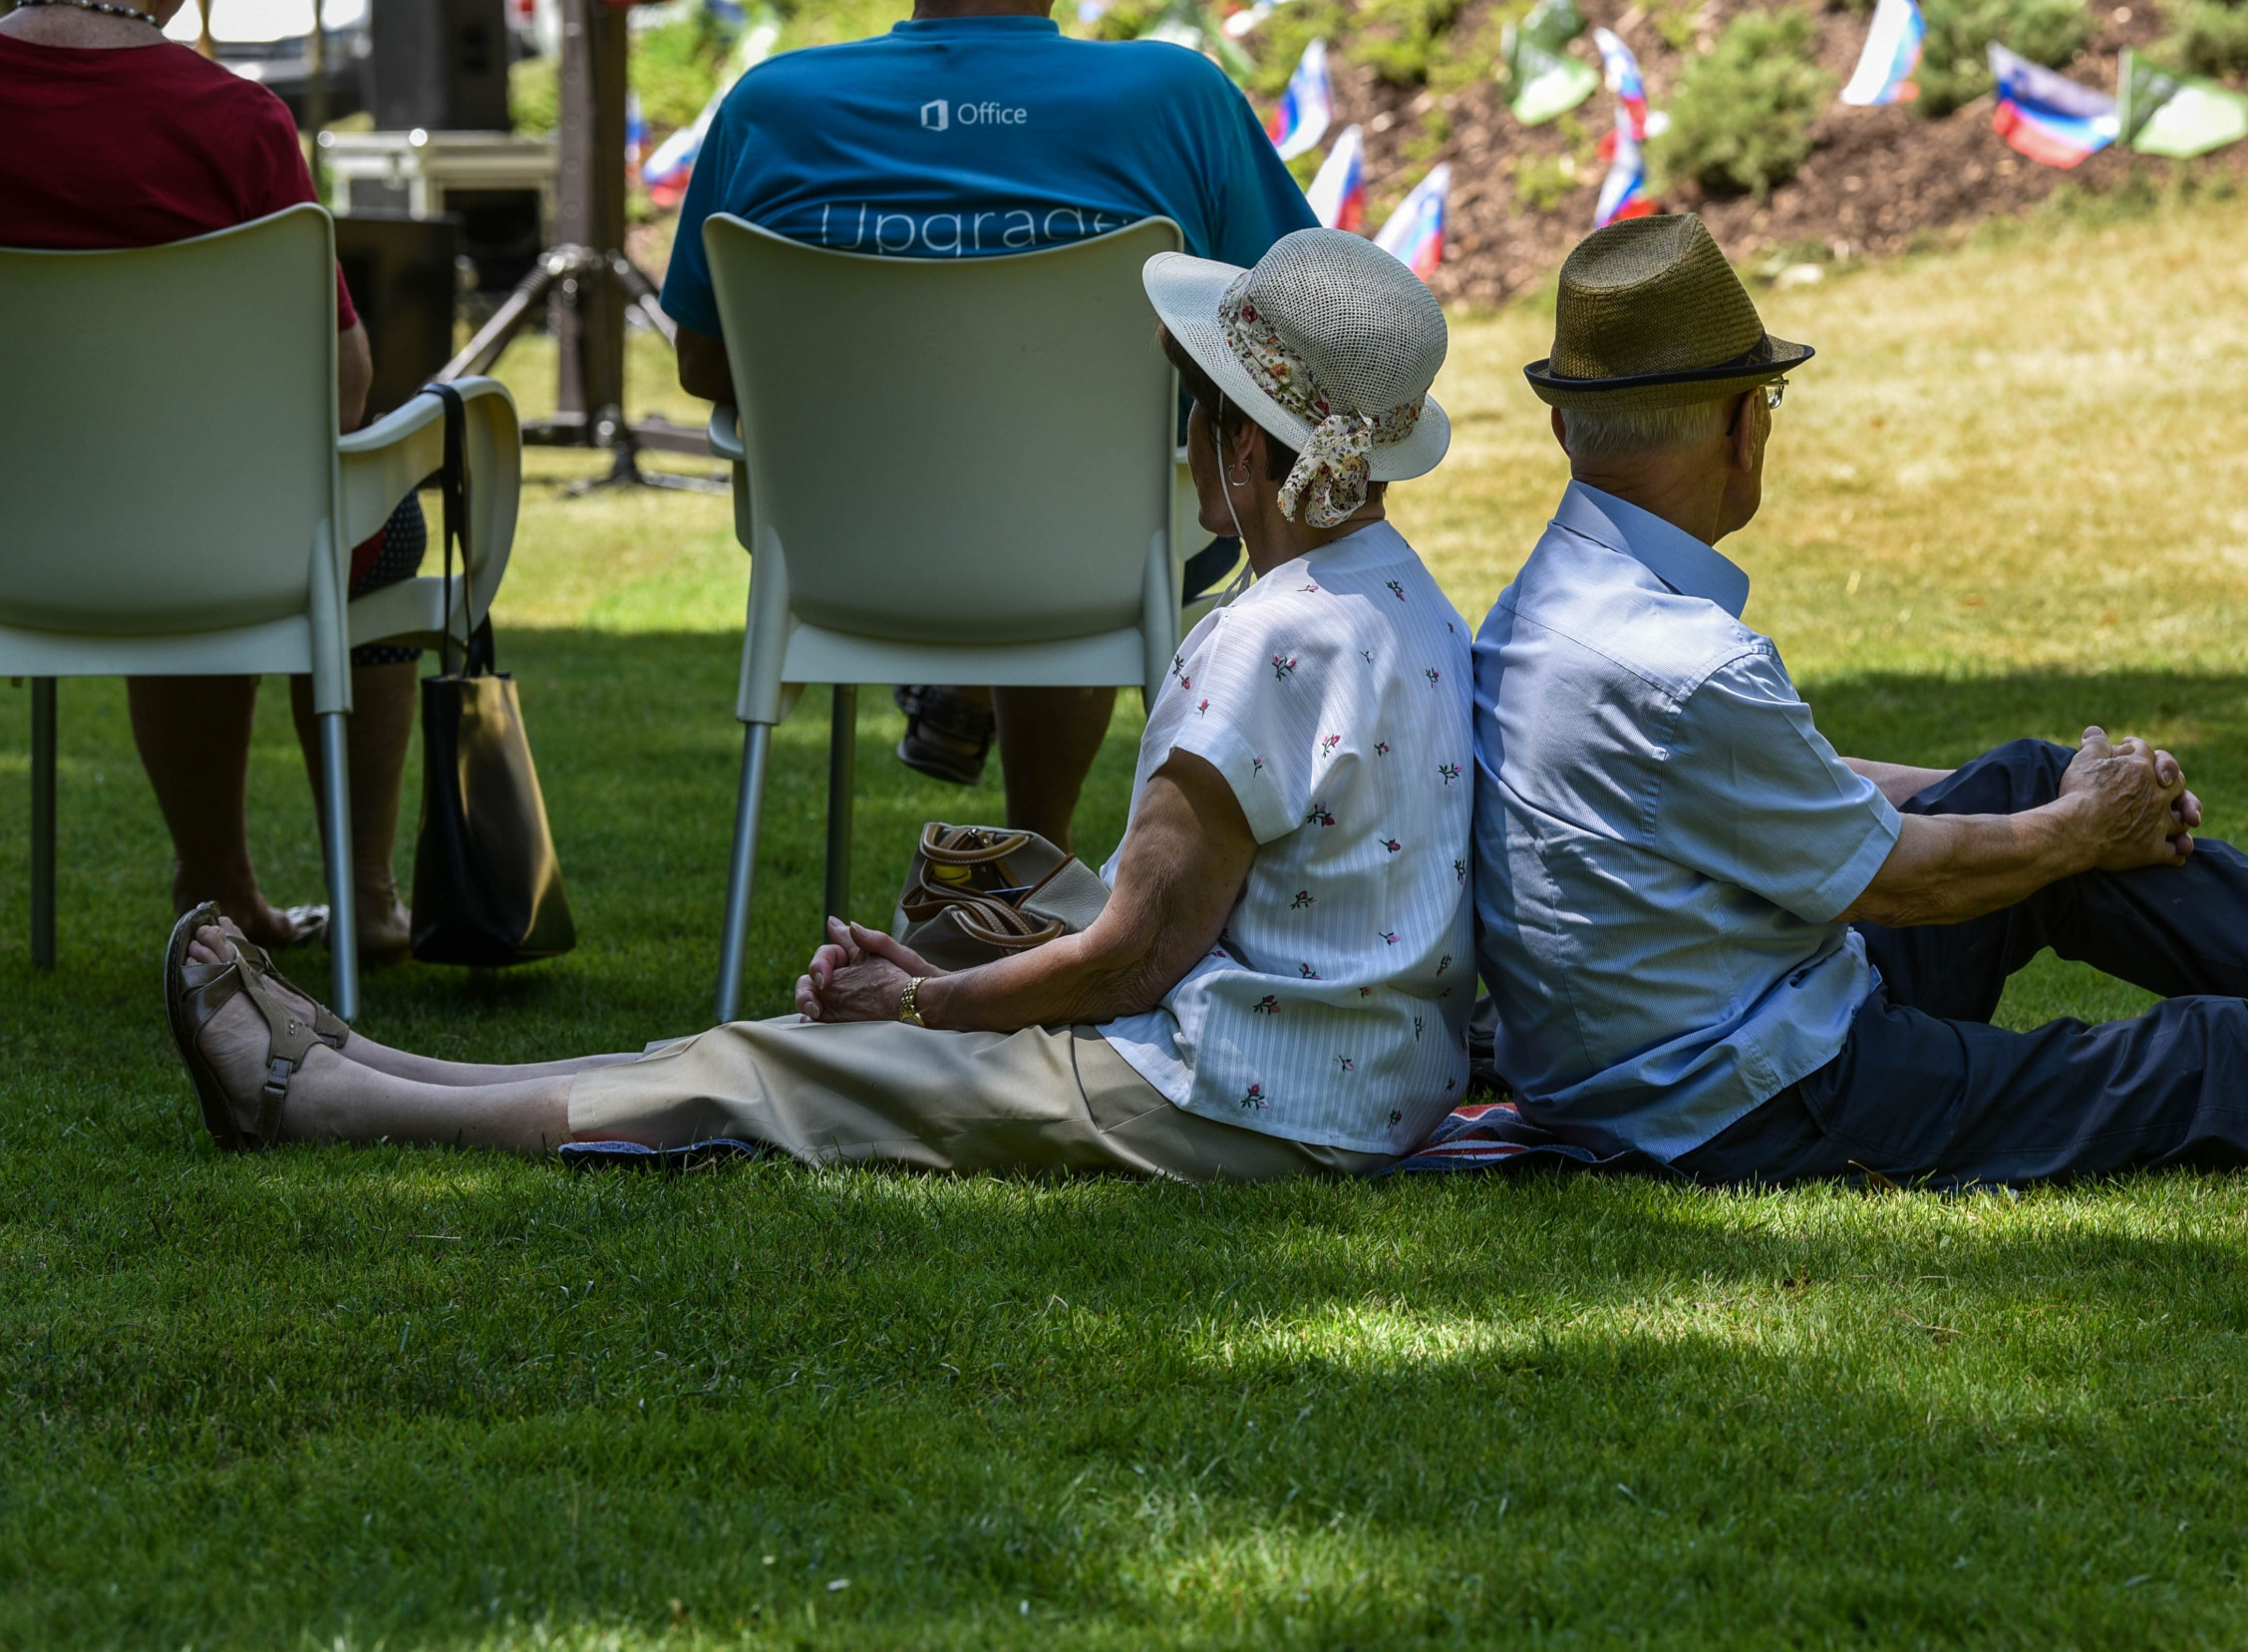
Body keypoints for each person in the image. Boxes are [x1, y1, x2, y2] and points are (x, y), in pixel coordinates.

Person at [165, 229, 1484, 1179]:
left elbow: (1135, 960)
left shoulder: (1263, 641)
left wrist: (918, 1007)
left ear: (1245, 447)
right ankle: (372, 1066)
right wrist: (956, 958)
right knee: (773, 1043)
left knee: (774, 1067)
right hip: (1362, 1076)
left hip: (1248, 1098)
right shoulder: (1410, 600)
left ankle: (324, 1098)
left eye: (1192, 405)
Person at [1469, 214, 2248, 1187]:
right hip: (1754, 1094)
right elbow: (1903, 882)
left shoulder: (1548, 608)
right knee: (2191, 1065)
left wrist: (2071, 804)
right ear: (1748, 423)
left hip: (1683, 1037)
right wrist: (2088, 827)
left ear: (1569, 429)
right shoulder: (1682, 662)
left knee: (2029, 776)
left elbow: (1763, 791)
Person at [657, 0, 1319, 848]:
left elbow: (703, 365)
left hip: (844, 544)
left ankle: (966, 697)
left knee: (1037, 482)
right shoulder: (1175, 100)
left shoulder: (769, 109)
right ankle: (1039, 852)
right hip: (1105, 540)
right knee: (1097, 484)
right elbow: (1302, 321)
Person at [0, 0, 426, 962]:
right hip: (208, 539)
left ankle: (216, 874)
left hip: (15, 540)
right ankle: (372, 896)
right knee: (373, 524)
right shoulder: (233, 125)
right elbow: (341, 387)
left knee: (206, 519)